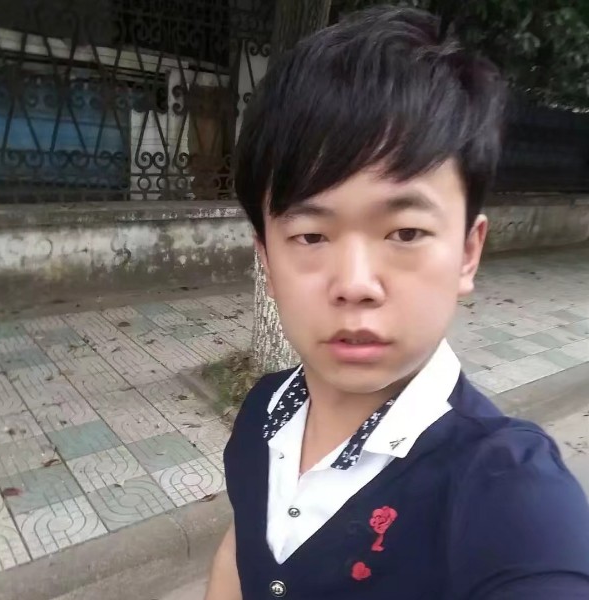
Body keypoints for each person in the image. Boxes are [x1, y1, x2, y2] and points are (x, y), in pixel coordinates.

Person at [205, 6, 589, 600]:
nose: (355, 283)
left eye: (406, 232)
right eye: (311, 235)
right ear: (267, 262)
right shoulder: (264, 410)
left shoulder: (510, 495)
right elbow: (240, 548)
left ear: (467, 253)